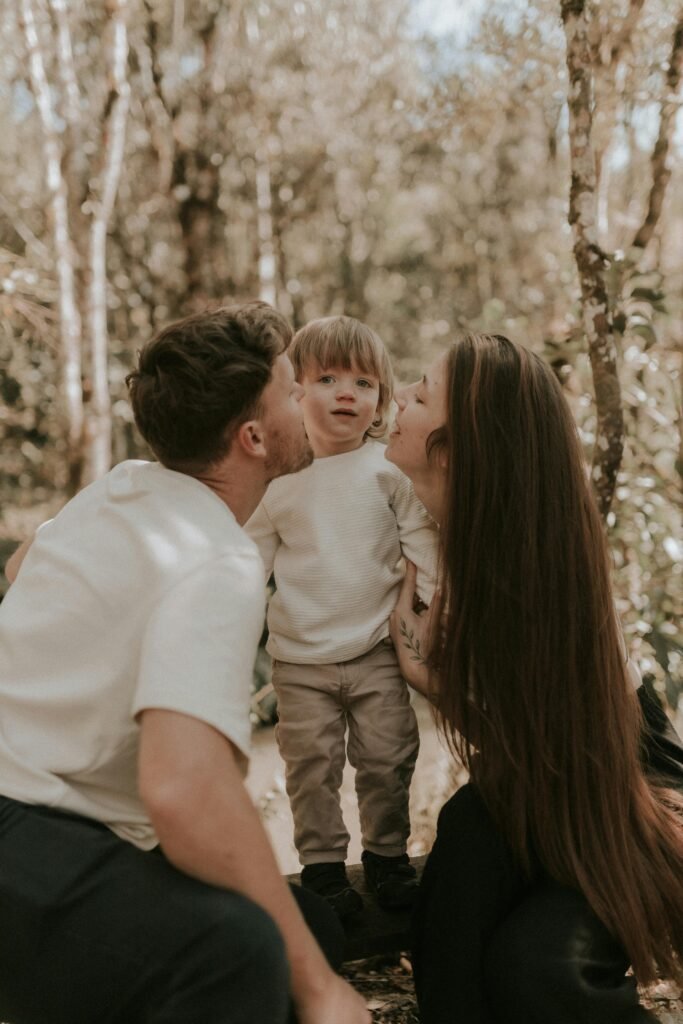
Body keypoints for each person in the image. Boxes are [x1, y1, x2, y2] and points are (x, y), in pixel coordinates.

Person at [0, 302, 371, 1024]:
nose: (309, 404)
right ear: (254, 437)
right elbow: (183, 790)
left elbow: (22, 568)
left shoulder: (123, 485)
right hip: (23, 836)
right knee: (235, 953)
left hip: (54, 822)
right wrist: (323, 995)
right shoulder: (215, 560)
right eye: (293, 391)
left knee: (311, 928)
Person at [385, 332, 683, 1024]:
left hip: (624, 787)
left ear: (456, 450)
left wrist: (434, 683)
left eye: (420, 394)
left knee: (537, 967)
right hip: (542, 785)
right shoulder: (418, 535)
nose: (396, 397)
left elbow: (567, 751)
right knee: (462, 883)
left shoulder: (531, 568)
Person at [246, 316, 437, 920]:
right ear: (296, 393)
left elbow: (423, 547)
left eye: (364, 381)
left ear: (382, 397)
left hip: (377, 650)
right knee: (311, 769)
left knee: (387, 758)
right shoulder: (278, 482)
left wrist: (432, 609)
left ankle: (386, 861)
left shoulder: (388, 471)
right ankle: (324, 873)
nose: (347, 392)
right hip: (300, 660)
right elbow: (250, 564)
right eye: (327, 378)